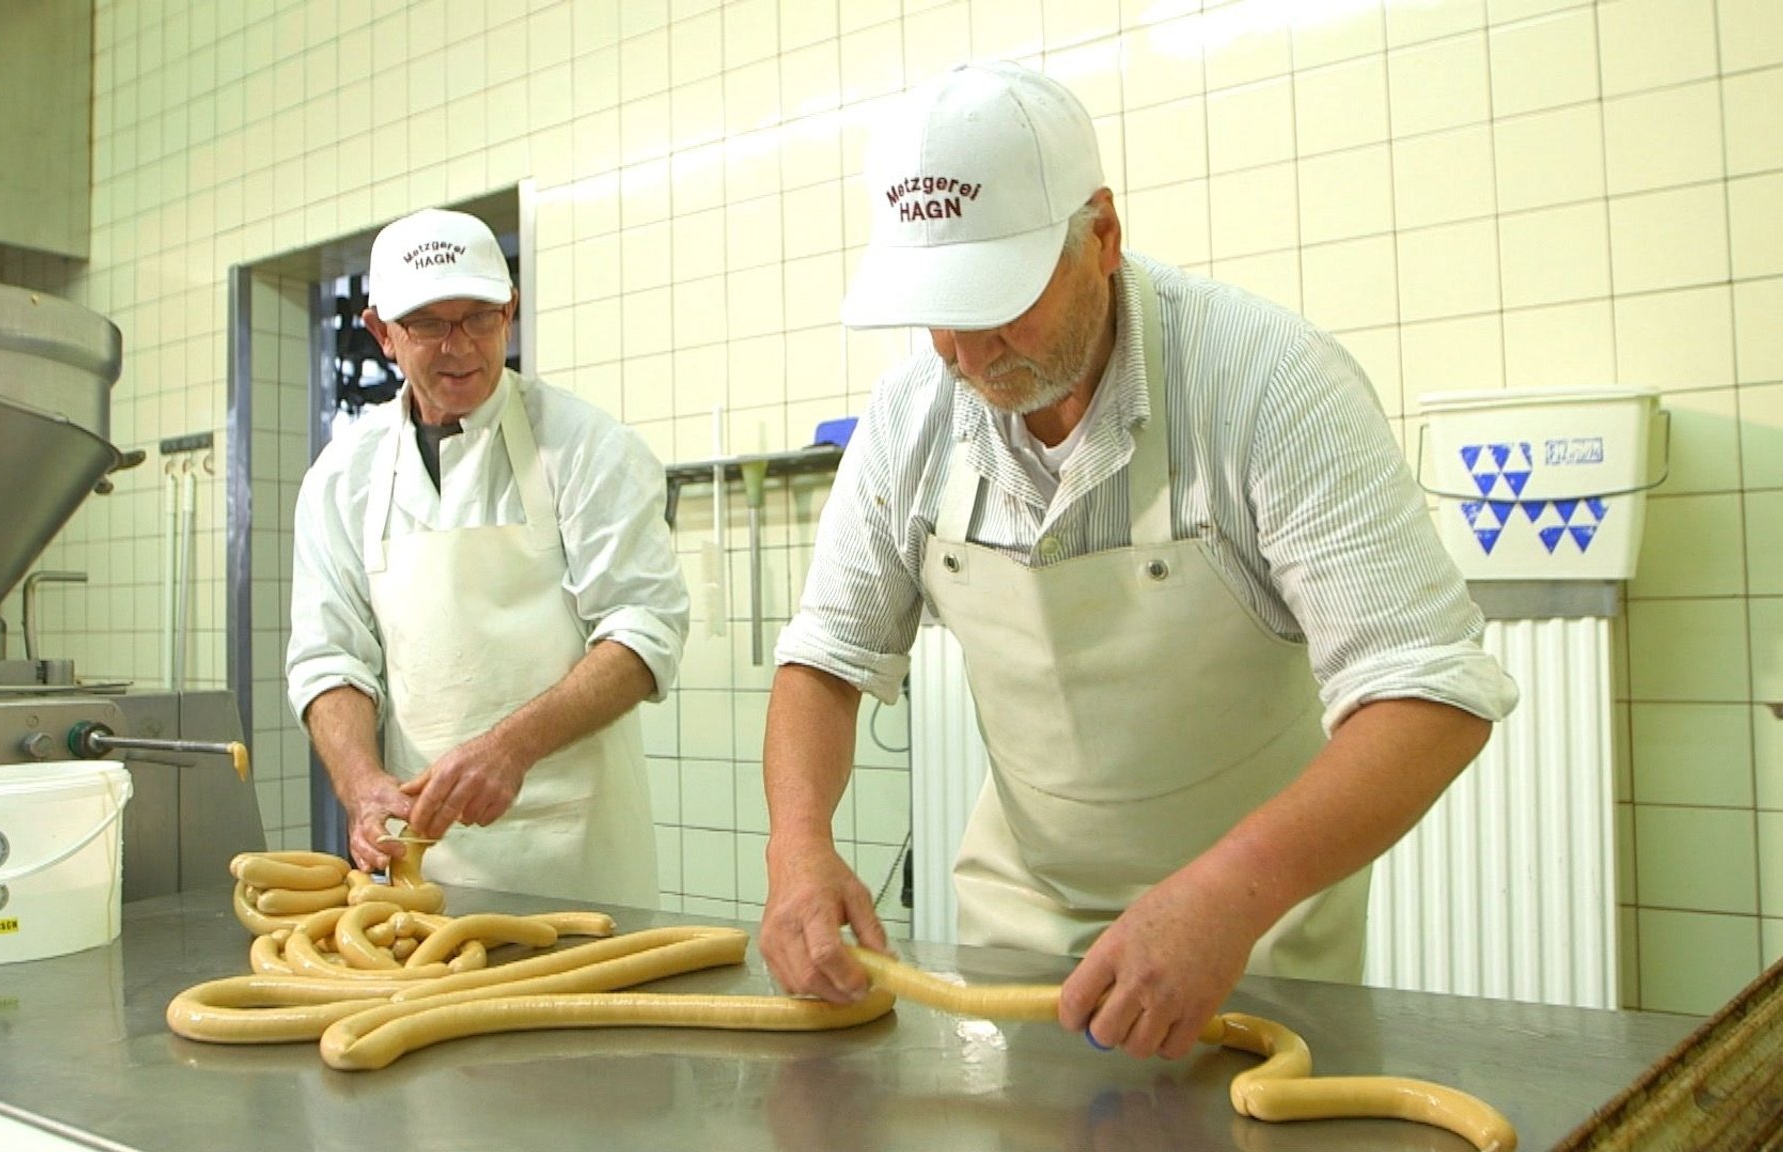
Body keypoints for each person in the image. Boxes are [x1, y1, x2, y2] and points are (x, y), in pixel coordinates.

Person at [758, 62, 1519, 1060]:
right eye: (935, 311)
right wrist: (798, 848)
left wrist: (1229, 891)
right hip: (1018, 935)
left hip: (1254, 935)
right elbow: (825, 656)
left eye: (998, 302)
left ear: (1102, 236)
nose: (966, 354)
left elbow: (1428, 690)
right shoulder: (912, 415)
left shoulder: (1265, 384)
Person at [286, 207, 688, 908]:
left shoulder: (589, 447)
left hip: (582, 864)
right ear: (382, 333)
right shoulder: (342, 477)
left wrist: (509, 749)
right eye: (429, 325)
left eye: (478, 318)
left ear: (512, 311)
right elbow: (329, 657)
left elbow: (643, 632)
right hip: (429, 872)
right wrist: (361, 785)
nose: (459, 347)